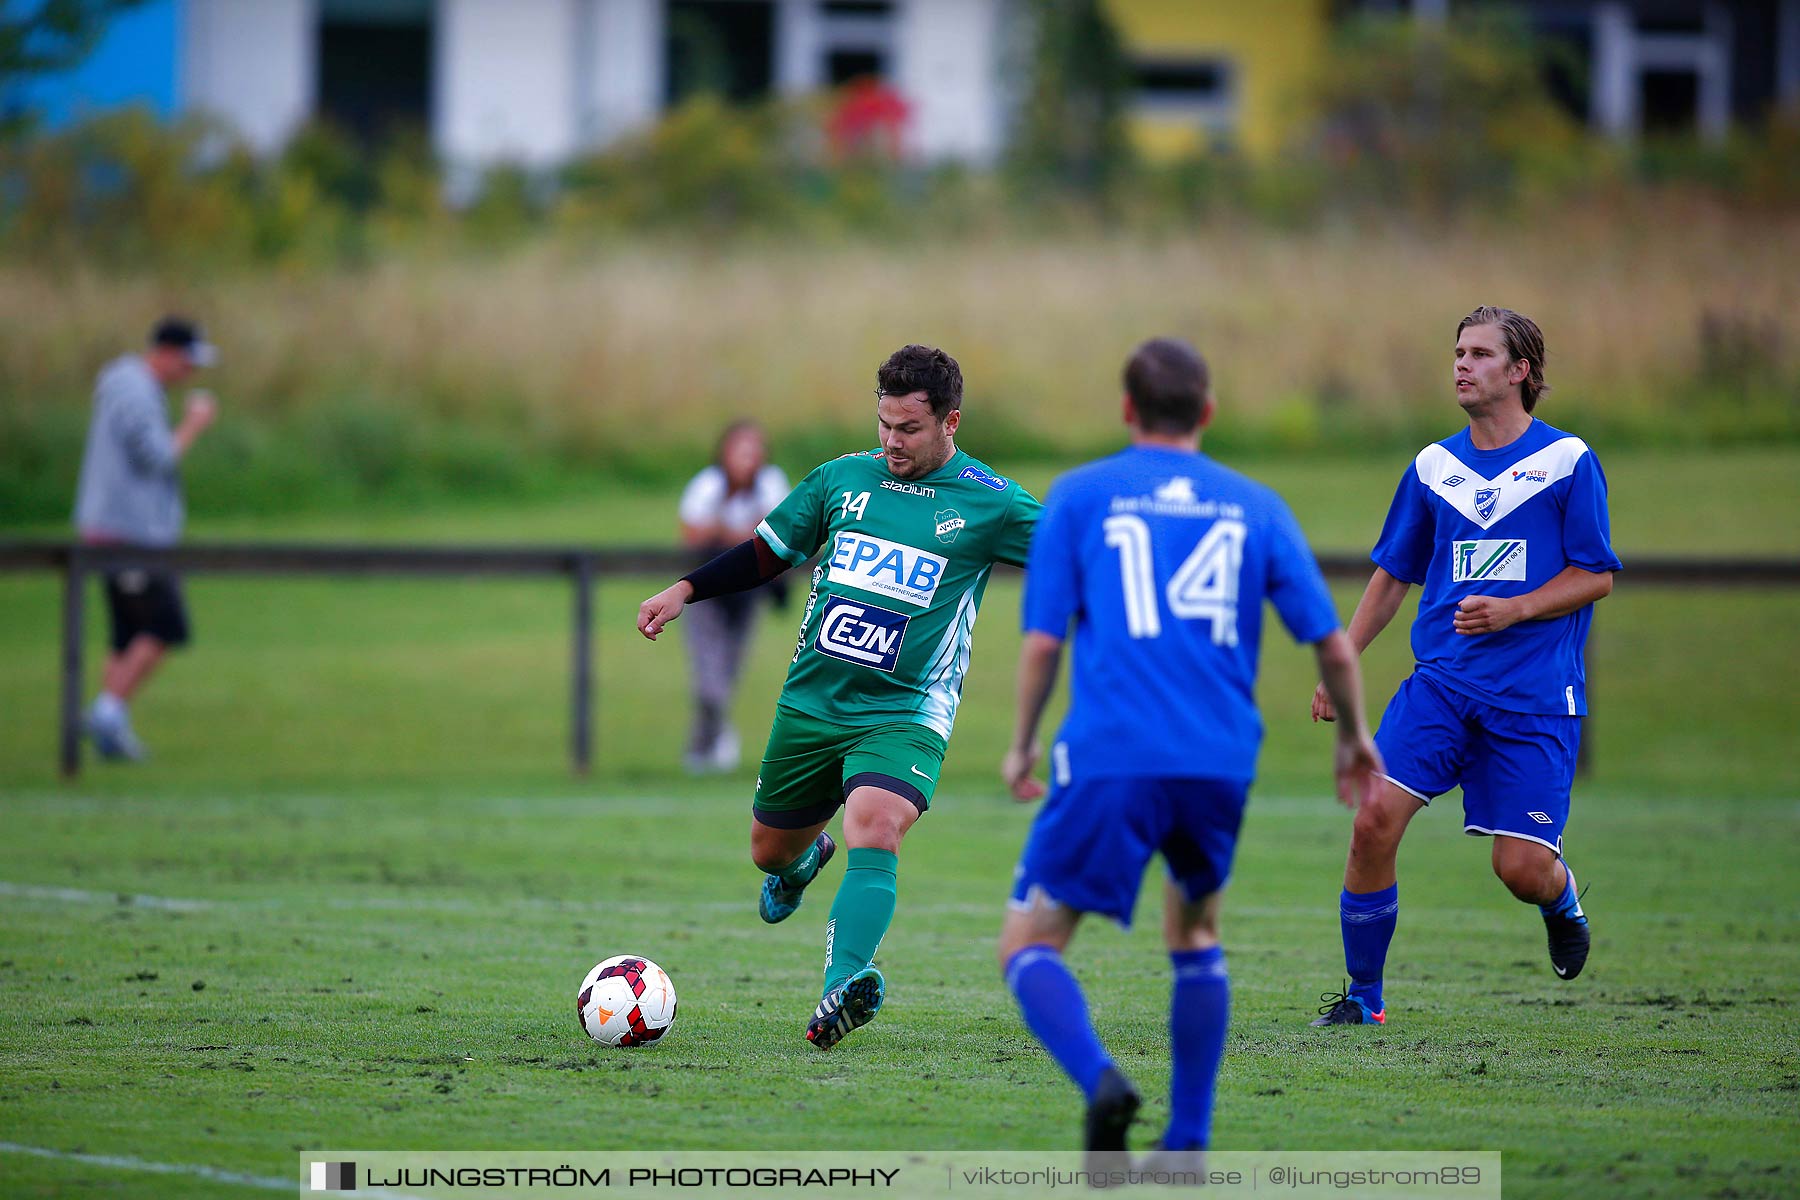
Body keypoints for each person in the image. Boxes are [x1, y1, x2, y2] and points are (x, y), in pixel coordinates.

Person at [996, 337, 1381, 1163]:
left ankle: (1101, 1079)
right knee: (1196, 933)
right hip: (1218, 761)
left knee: (1028, 946)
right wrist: (1354, 738)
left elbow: (1040, 644)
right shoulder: (1257, 505)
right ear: (1207, 412)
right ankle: (1188, 1143)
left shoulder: (1079, 495)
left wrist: (1023, 745)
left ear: (1127, 411)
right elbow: (1334, 647)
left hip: (1112, 755)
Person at [637, 345, 1041, 1049]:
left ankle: (840, 989)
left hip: (905, 712)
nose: (892, 440)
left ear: (951, 422)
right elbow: (767, 552)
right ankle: (798, 867)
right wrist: (686, 589)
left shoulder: (993, 502)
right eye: (885, 423)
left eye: (909, 428)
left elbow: (1076, 553)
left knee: (876, 825)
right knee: (767, 850)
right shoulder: (841, 480)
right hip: (811, 706)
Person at [1309, 306, 1621, 1028]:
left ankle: (1561, 894)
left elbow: (1596, 574)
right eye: (1457, 352)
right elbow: (1391, 577)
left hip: (1535, 697)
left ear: (1520, 372)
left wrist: (1515, 610)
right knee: (1372, 822)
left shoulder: (1568, 462)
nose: (1461, 364)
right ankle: (1364, 998)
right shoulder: (1432, 467)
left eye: (1480, 354)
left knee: (1519, 871)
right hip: (1441, 686)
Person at [73, 316, 220, 762]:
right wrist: (194, 424)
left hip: (112, 529)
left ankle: (111, 729)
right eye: (188, 362)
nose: (189, 373)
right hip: (130, 534)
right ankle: (106, 712)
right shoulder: (136, 392)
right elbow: (156, 458)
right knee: (165, 625)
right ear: (168, 353)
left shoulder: (124, 385)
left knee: (126, 635)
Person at [676, 421, 790, 773]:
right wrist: (741, 534)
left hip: (746, 593)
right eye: (740, 450)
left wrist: (727, 533)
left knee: (728, 671)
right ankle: (710, 742)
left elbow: (779, 534)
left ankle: (706, 745)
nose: (748, 460)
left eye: (754, 451)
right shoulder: (707, 485)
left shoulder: (771, 483)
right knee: (710, 680)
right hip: (707, 593)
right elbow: (695, 536)